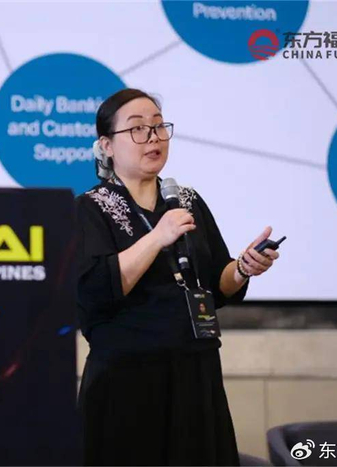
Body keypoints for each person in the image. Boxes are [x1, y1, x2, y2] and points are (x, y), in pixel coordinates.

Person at [75, 88, 280, 466]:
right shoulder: (89, 208)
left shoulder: (187, 200)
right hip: (128, 380)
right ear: (106, 145)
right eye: (137, 129)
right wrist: (157, 237)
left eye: (158, 126)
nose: (153, 137)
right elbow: (96, 290)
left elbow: (217, 284)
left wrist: (243, 267)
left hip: (195, 372)